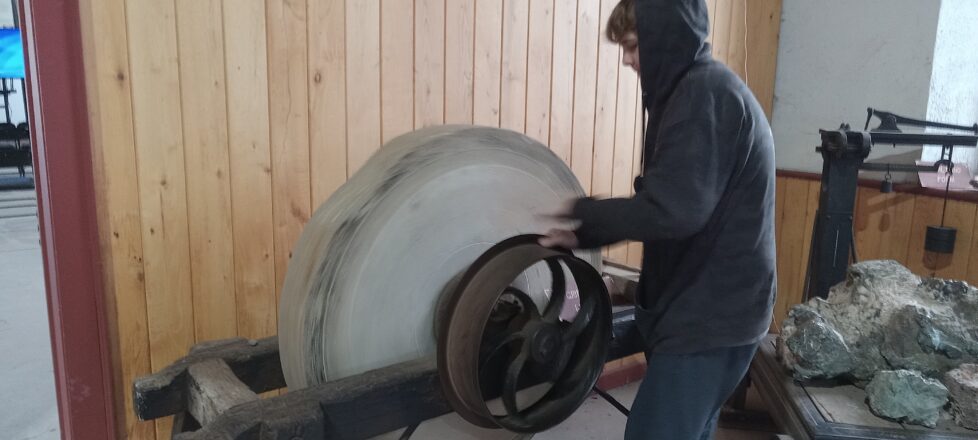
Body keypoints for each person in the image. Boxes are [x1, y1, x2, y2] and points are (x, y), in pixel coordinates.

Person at [539, 0, 777, 438]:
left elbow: (674, 210)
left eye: (632, 45)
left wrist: (583, 217)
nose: (627, 59)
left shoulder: (702, 96)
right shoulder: (697, 90)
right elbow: (675, 198)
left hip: (712, 316)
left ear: (665, 36)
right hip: (721, 307)